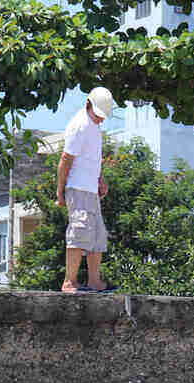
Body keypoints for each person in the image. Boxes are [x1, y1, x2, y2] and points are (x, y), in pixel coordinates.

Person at [57, 86, 116, 293]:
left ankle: (94, 281)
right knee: (79, 232)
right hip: (77, 188)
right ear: (88, 104)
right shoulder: (79, 125)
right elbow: (65, 159)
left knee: (98, 236)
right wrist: (60, 191)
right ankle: (69, 282)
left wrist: (100, 180)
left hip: (90, 189)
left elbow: (92, 160)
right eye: (99, 114)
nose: (101, 119)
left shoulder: (94, 127)